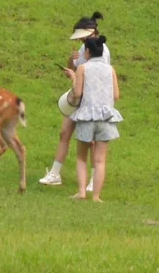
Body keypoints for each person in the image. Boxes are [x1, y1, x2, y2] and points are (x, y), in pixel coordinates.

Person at [39, 13, 110, 186]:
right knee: (64, 133)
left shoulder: (101, 51)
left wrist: (74, 78)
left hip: (90, 100)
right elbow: (75, 69)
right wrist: (71, 61)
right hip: (79, 98)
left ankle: (93, 180)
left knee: (91, 141)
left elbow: (95, 78)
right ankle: (55, 174)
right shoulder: (83, 48)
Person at [67, 33, 122, 202]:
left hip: (87, 117)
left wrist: (73, 78)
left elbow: (77, 93)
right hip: (106, 118)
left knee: (81, 157)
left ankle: (82, 192)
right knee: (100, 161)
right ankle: (96, 196)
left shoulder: (83, 68)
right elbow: (116, 95)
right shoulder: (111, 69)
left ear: (88, 51)